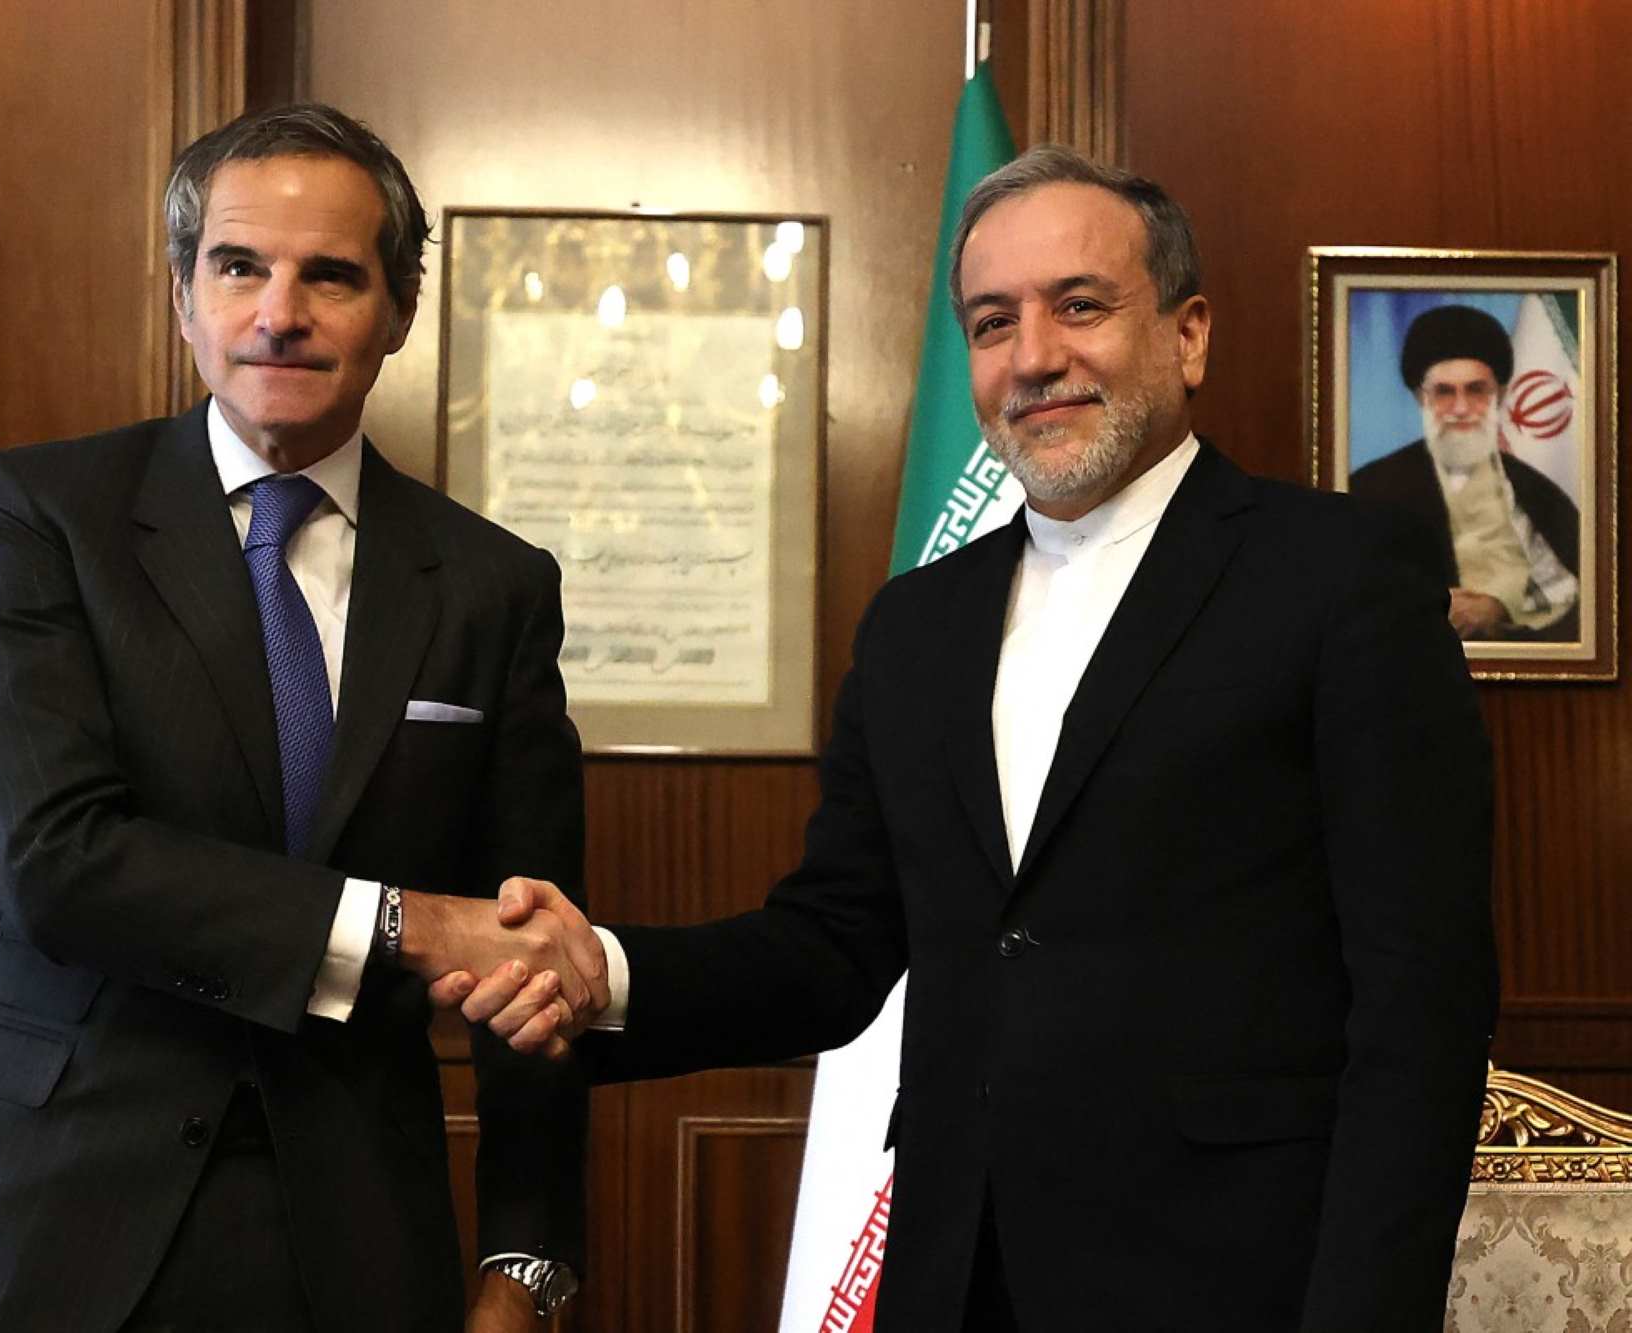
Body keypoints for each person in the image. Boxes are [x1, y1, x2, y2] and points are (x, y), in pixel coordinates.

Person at [467, 146, 1498, 1331]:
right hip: (958, 1280)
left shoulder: (1342, 577)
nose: (1034, 357)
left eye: (1079, 305)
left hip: (1238, 1281)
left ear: (1188, 333)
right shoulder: (916, 625)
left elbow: (1420, 1007)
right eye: (992, 321)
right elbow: (834, 945)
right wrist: (607, 971)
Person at [0, 104, 607, 1333]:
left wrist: (527, 1263)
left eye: (331, 273)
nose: (279, 311)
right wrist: (406, 924)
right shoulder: (41, 513)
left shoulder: (492, 584)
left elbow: (529, 951)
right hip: (41, 1232)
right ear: (184, 297)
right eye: (238, 266)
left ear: (399, 310)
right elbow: (58, 863)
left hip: (356, 1247)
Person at [1349, 303, 1579, 641]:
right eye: (1444, 392)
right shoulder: (1370, 488)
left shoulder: (1539, 493)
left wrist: (1499, 607)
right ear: (1419, 397)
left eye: (1475, 390)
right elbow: (1349, 590)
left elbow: (1580, 594)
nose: (1460, 408)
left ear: (1498, 395)